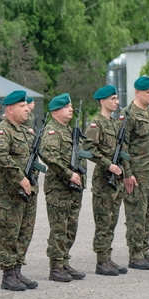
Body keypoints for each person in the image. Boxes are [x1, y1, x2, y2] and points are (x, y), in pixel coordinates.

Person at [0, 90, 41, 290]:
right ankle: (8, 274)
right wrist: (20, 177)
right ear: (10, 109)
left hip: (27, 192)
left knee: (24, 233)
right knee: (9, 234)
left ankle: (17, 270)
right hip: (8, 194)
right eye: (21, 106)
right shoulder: (2, 131)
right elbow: (1, 156)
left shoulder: (25, 131)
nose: (26, 108)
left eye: (26, 105)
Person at [40, 93, 88, 282]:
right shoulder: (52, 131)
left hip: (74, 187)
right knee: (59, 228)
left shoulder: (68, 130)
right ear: (55, 111)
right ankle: (56, 266)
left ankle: (64, 261)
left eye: (71, 106)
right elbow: (49, 156)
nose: (71, 109)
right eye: (67, 107)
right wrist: (69, 174)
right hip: (59, 188)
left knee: (70, 227)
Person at [83, 85, 128, 276]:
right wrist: (108, 164)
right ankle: (101, 261)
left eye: (117, 98)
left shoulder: (115, 124)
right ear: (103, 101)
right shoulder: (96, 124)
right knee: (103, 221)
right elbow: (88, 148)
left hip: (116, 180)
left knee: (112, 221)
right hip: (104, 180)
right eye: (113, 99)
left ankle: (108, 258)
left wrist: (126, 173)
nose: (116, 102)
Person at [123, 76, 149, 271]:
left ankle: (144, 250)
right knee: (136, 214)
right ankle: (135, 254)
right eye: (148, 92)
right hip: (138, 172)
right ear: (137, 92)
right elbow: (123, 146)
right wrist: (127, 173)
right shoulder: (129, 114)